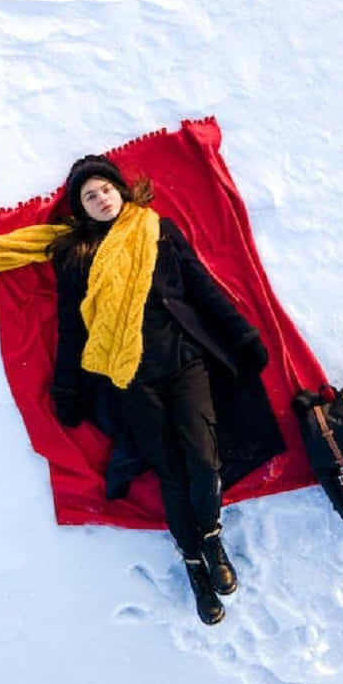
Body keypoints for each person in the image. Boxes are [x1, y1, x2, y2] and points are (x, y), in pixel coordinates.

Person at [47, 155, 273, 625]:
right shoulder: (77, 258)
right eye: (90, 196)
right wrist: (65, 388)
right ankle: (195, 568)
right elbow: (73, 329)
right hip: (129, 377)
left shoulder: (159, 230)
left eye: (106, 189)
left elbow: (202, 290)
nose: (102, 199)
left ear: (121, 190)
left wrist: (244, 336)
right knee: (169, 470)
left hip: (184, 362)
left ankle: (211, 537)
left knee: (203, 459)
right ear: (81, 209)